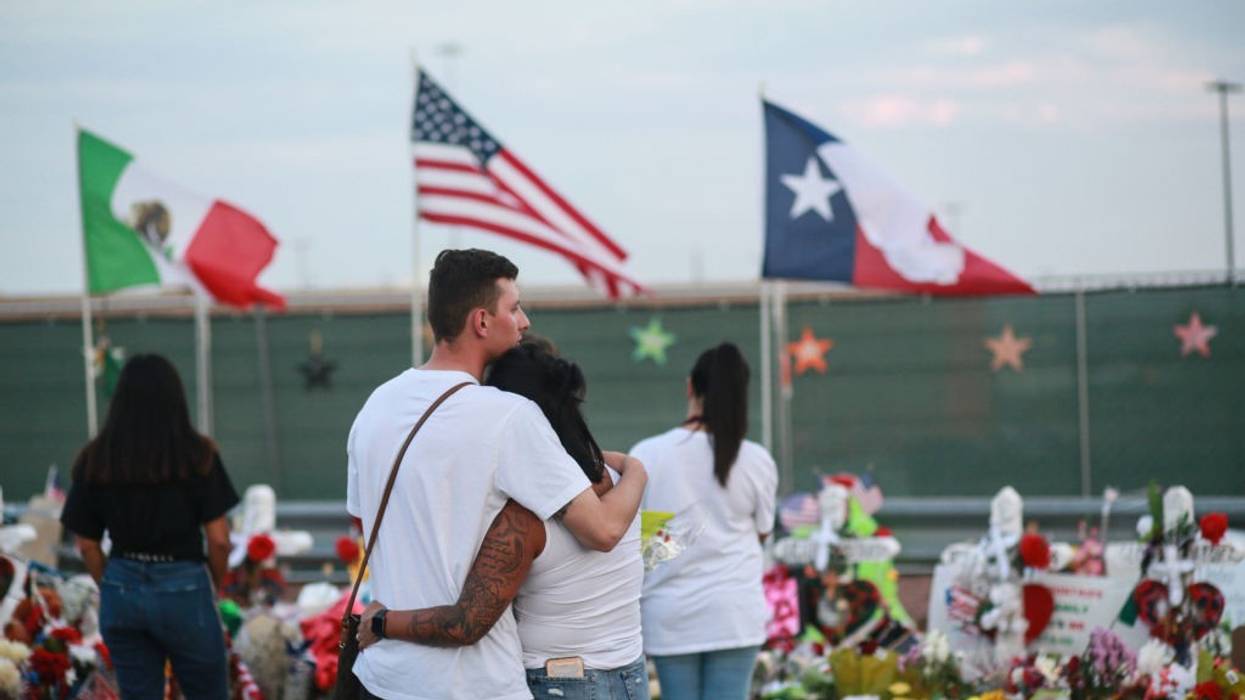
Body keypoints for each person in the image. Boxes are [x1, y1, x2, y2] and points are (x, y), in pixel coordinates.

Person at [345, 249, 646, 700]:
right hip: (471, 682)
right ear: (482, 322)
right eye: (514, 307)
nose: (524, 321)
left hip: (384, 674)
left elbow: (367, 528)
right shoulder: (509, 417)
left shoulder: (375, 407)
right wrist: (639, 466)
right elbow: (602, 530)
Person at [60, 354, 237, 699]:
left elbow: (86, 544)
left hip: (122, 586)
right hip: (185, 586)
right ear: (176, 398)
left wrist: (111, 583)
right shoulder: (198, 455)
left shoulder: (96, 458)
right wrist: (210, 586)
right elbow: (219, 540)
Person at [630, 342, 778, 700]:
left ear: (689, 387)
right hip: (734, 614)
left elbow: (647, 544)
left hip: (670, 615)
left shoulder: (648, 455)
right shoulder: (756, 459)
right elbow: (763, 532)